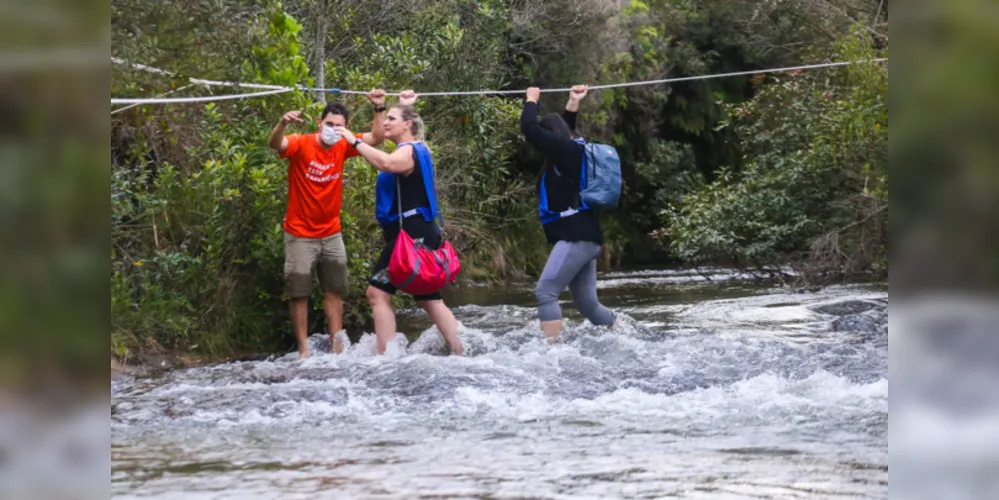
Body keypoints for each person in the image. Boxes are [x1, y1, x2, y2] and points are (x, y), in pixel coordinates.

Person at [333, 91, 464, 356]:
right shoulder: (417, 148)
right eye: (386, 118)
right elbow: (399, 142)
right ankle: (461, 350)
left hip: (410, 236)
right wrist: (404, 107)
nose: (385, 123)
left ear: (408, 125)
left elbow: (386, 163)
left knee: (377, 293)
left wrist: (353, 141)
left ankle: (386, 358)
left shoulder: (407, 152)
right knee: (429, 298)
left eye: (392, 119)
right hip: (422, 232)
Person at [267, 89, 387, 358]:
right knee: (299, 293)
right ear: (320, 123)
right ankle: (304, 351)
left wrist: (379, 107)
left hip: (332, 233)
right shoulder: (302, 143)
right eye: (329, 124)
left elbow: (377, 138)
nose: (333, 130)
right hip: (299, 233)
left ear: (346, 129)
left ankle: (337, 349)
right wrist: (282, 123)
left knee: (334, 291)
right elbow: (277, 144)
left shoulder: (345, 144)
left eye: (339, 126)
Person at [520, 85, 616, 342]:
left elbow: (530, 128)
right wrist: (574, 102)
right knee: (588, 306)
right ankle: (622, 331)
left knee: (546, 291)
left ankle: (552, 350)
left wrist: (531, 100)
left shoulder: (565, 151)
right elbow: (566, 128)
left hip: (576, 236)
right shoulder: (573, 151)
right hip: (586, 235)